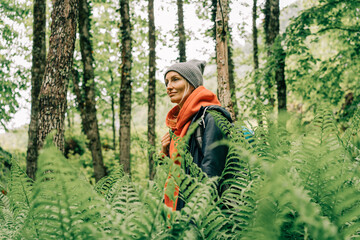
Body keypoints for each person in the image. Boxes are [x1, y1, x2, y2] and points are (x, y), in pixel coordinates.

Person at [161, 59, 232, 211]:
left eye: (175, 80)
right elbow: (179, 171)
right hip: (181, 206)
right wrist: (165, 152)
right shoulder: (177, 125)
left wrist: (197, 213)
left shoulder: (211, 117)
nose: (169, 87)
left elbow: (212, 169)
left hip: (202, 212)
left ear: (191, 83)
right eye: (167, 82)